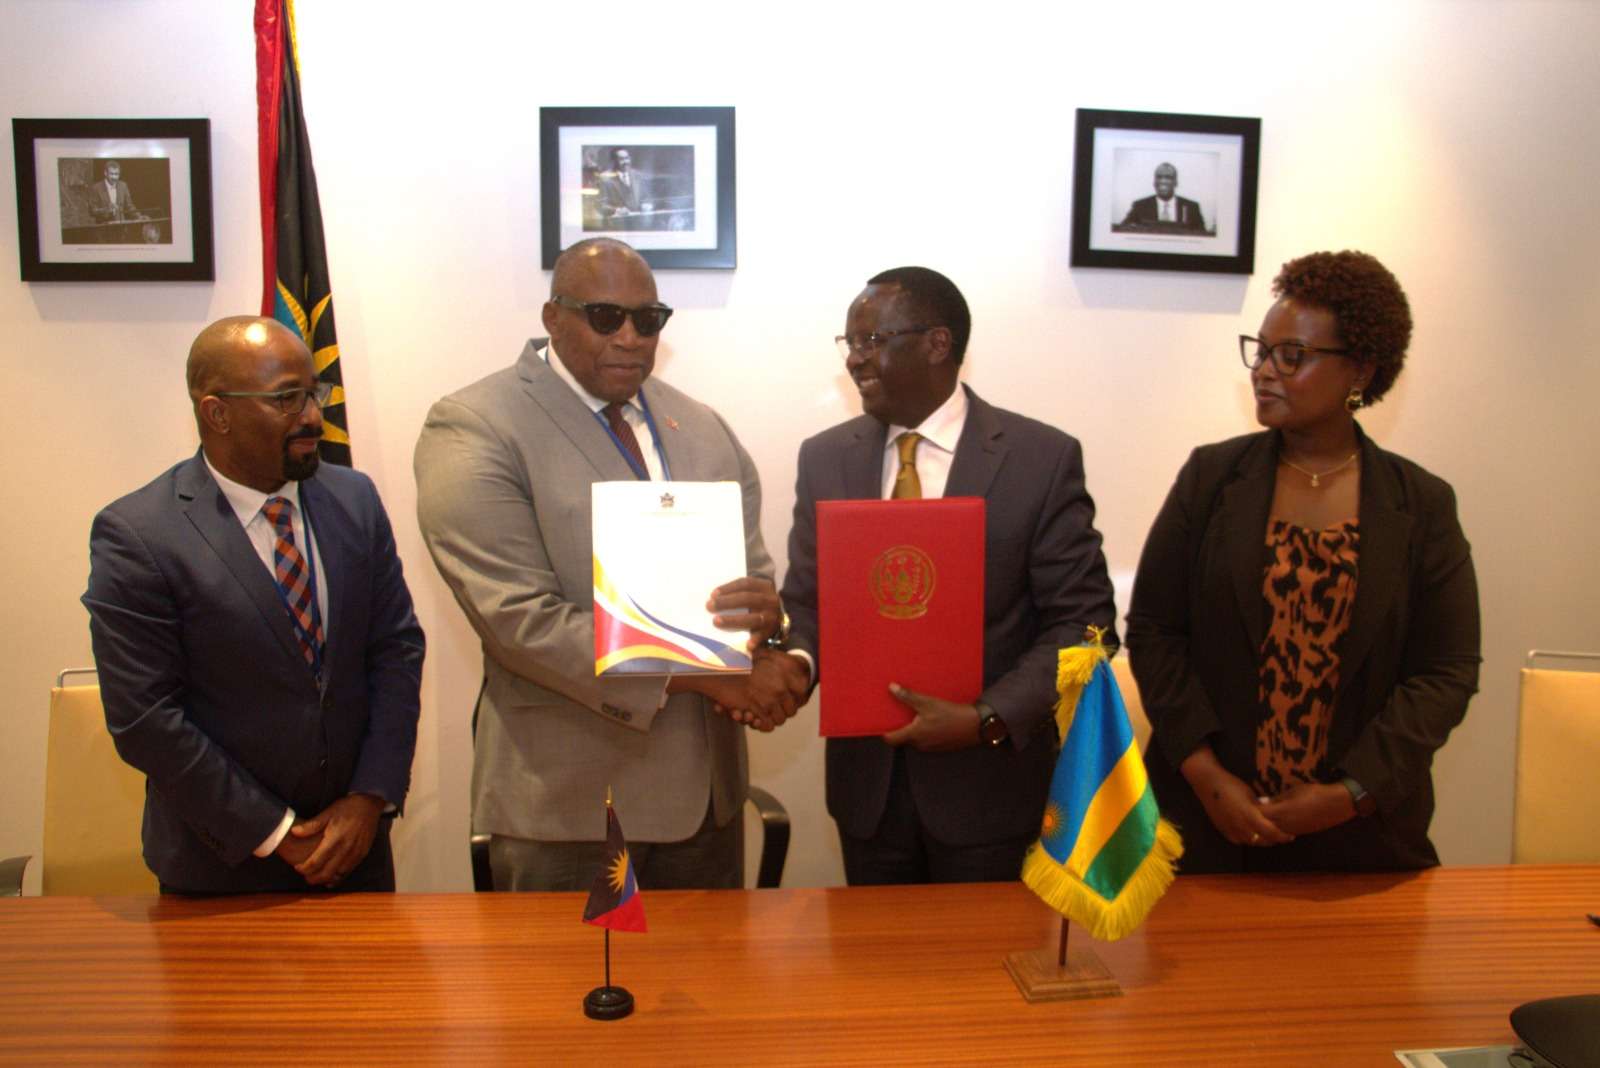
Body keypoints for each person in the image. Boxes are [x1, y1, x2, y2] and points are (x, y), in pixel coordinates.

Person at [415, 237, 805, 892]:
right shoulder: (475, 425)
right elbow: (519, 622)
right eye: (605, 317)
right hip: (572, 811)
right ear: (553, 317)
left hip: (709, 805)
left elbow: (752, 577)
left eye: (648, 320)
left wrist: (768, 629)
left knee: (713, 967)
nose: (629, 337)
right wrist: (709, 680)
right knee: (568, 969)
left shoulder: (702, 425)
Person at [1127, 250, 1481, 874]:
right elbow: (1155, 632)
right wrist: (1208, 777)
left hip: (1365, 842)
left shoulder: (1421, 504)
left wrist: (1351, 793)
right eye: (1261, 351)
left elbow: (1444, 672)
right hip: (1207, 829)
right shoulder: (1211, 479)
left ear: (1360, 370)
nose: (1264, 371)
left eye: (1291, 355)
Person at [780, 266, 1119, 885]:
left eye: (871, 340)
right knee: (872, 951)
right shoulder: (825, 457)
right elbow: (806, 601)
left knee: (986, 952)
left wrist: (988, 717)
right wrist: (795, 666)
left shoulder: (1040, 459)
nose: (854, 359)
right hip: (868, 795)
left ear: (938, 343)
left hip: (990, 791)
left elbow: (1086, 624)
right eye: (849, 343)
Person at [82, 317, 425, 894]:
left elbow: (396, 649)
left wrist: (369, 797)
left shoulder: (355, 499)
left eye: (313, 393)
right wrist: (278, 833)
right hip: (223, 872)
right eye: (287, 399)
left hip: (356, 852)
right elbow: (145, 719)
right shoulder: (140, 535)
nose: (312, 416)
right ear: (217, 413)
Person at [1119, 162, 1206, 233]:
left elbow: (1202, 238)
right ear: (1154, 182)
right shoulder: (1140, 206)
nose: (1163, 181)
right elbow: (1123, 231)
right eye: (1159, 177)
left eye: (1168, 177)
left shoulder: (1192, 208)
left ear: (1176, 182)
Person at [596, 148, 651, 223]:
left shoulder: (638, 175)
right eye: (621, 159)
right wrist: (617, 210)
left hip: (639, 222)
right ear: (614, 161)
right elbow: (600, 205)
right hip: (617, 224)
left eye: (627, 158)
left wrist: (646, 205)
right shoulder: (605, 178)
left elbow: (647, 198)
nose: (625, 162)